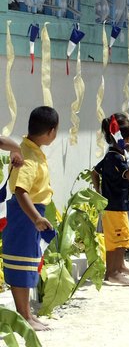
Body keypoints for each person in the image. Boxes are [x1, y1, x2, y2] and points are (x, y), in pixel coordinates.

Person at [2, 107, 56, 331]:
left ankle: (27, 313)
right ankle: (24, 315)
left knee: (28, 263)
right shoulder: (29, 157)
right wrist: (35, 218)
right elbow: (21, 192)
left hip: (32, 213)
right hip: (25, 214)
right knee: (21, 264)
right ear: (51, 132)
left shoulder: (29, 150)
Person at [93, 114, 129, 286]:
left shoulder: (113, 155)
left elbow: (95, 172)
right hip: (114, 206)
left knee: (122, 239)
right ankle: (112, 272)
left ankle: (118, 268)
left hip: (117, 204)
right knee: (116, 241)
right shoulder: (116, 157)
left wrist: (99, 191)